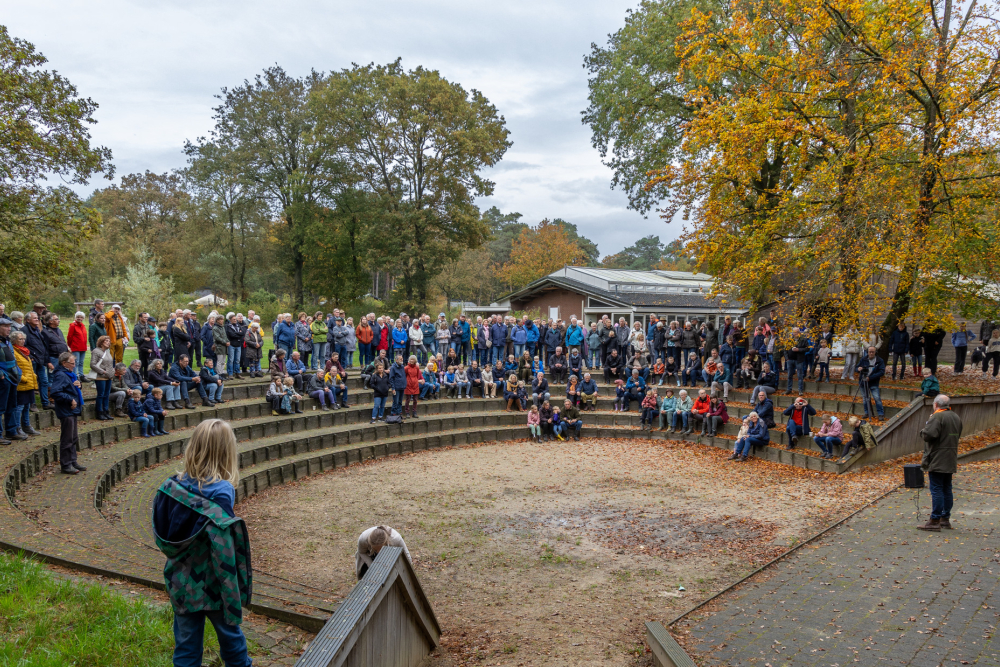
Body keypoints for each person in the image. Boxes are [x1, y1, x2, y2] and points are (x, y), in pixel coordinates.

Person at [151, 419, 253, 667]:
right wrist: (234, 588)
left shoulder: (169, 486)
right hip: (214, 584)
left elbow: (162, 532)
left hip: (180, 580)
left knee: (185, 646)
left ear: (193, 446)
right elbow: (223, 546)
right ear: (227, 451)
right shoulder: (221, 492)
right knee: (232, 642)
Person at [918, 394, 963, 531]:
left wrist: (923, 430)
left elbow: (929, 435)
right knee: (946, 488)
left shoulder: (937, 416)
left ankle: (935, 520)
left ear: (936, 404)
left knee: (937, 489)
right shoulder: (955, 417)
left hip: (937, 457)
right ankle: (945, 518)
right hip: (950, 456)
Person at [49, 352, 86, 474]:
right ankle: (66, 465)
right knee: (67, 438)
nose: (74, 365)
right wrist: (70, 399)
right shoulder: (61, 375)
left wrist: (78, 386)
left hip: (72, 410)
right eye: (72, 363)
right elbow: (55, 392)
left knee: (73, 437)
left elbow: (70, 388)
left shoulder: (69, 374)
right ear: (64, 363)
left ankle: (72, 461)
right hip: (66, 410)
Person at [9, 331, 40, 438]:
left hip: (29, 383)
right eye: (20, 339)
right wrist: (23, 379)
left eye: (23, 339)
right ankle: (18, 428)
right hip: (21, 384)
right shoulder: (13, 351)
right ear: (14, 340)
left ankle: (27, 425)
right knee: (20, 407)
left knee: (27, 406)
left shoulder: (24, 351)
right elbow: (13, 369)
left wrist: (33, 376)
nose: (23, 341)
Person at [90, 335, 116, 421]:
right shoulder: (96, 351)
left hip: (109, 376)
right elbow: (92, 364)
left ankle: (106, 411)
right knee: (101, 394)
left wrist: (112, 371)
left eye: (109, 341)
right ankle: (99, 412)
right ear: (101, 342)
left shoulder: (108, 351)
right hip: (101, 376)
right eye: (106, 341)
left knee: (107, 394)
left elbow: (110, 363)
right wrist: (103, 372)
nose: (109, 342)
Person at [857, 346, 886, 419]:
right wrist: (858, 369)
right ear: (868, 352)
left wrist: (870, 378)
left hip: (873, 382)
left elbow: (881, 372)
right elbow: (856, 368)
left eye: (873, 352)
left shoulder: (880, 360)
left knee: (877, 398)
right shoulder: (863, 359)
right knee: (865, 398)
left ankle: (881, 414)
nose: (871, 353)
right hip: (863, 382)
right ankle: (867, 412)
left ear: (875, 352)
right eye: (870, 352)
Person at [67, 312, 89, 381]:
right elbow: (69, 336)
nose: (80, 318)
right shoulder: (73, 325)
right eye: (78, 317)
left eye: (81, 317)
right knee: (76, 362)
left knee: (81, 362)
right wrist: (70, 345)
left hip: (83, 347)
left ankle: (81, 375)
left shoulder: (83, 326)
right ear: (75, 317)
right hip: (76, 347)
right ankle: (75, 375)